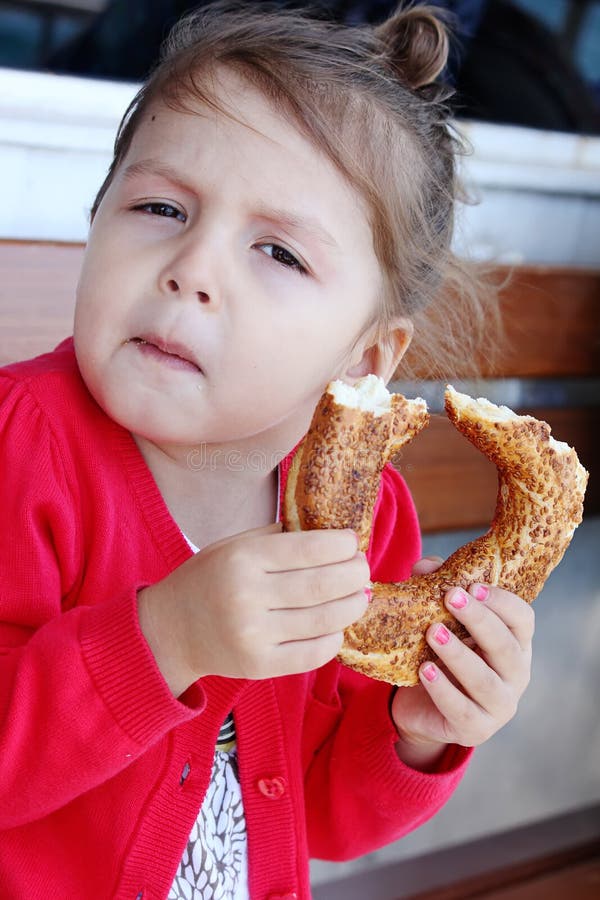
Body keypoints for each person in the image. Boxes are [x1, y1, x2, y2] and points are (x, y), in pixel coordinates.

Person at [0, 3, 535, 898]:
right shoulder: (24, 447)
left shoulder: (361, 518)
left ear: (365, 358)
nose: (192, 268)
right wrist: (163, 640)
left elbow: (323, 815)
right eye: (160, 206)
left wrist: (421, 729)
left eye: (278, 254)